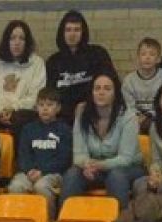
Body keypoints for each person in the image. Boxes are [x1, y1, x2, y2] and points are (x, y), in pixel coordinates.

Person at [62, 71, 145, 209]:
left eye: (107, 89)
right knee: (72, 174)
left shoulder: (128, 117)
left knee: (116, 176)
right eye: (97, 88)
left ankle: (120, 221)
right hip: (95, 168)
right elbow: (79, 154)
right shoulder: (82, 114)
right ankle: (66, 219)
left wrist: (99, 165)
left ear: (115, 93)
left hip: (128, 168)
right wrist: (86, 164)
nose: (101, 92)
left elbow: (125, 159)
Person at [8, 87, 72, 218]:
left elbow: (64, 159)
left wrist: (42, 171)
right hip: (29, 172)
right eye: (41, 105)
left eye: (50, 105)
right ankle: (19, 221)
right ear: (36, 107)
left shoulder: (64, 130)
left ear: (58, 108)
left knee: (41, 186)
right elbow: (23, 155)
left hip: (54, 173)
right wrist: (29, 170)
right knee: (16, 186)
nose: (45, 109)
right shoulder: (28, 129)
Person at [0, 20, 46, 138]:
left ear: (27, 42)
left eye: (21, 38)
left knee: (21, 119)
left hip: (22, 112)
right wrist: (1, 110)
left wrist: (13, 108)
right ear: (6, 41)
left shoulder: (37, 63)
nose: (17, 43)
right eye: (12, 38)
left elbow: (35, 96)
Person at [44, 10, 114, 123]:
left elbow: (110, 85)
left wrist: (88, 106)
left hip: (93, 114)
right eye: (68, 30)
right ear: (62, 33)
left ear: (83, 32)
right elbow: (50, 95)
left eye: (77, 30)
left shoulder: (98, 54)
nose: (72, 34)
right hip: (63, 119)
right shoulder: (53, 62)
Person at [123, 38, 162, 134]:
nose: (147, 57)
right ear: (138, 58)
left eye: (152, 54)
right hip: (136, 119)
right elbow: (129, 107)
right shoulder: (129, 80)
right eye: (143, 54)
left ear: (158, 59)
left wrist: (150, 115)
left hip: (160, 117)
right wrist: (138, 116)